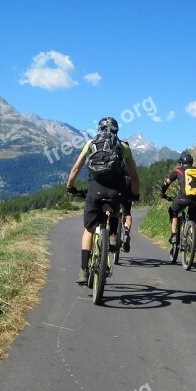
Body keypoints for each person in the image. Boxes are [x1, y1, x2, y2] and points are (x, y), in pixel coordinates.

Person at [66, 117, 140, 284]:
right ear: (116, 131)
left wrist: (70, 187)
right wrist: (135, 194)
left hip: (94, 189)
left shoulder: (90, 143)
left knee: (89, 230)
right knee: (114, 210)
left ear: (99, 129)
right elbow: (134, 176)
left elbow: (75, 168)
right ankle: (113, 235)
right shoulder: (123, 147)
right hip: (115, 190)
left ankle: (83, 270)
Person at [160, 152, 196, 246]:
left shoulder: (178, 170)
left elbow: (167, 183)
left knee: (173, 211)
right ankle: (192, 238)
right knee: (194, 218)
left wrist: (162, 192)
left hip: (182, 198)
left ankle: (174, 235)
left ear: (181, 163)